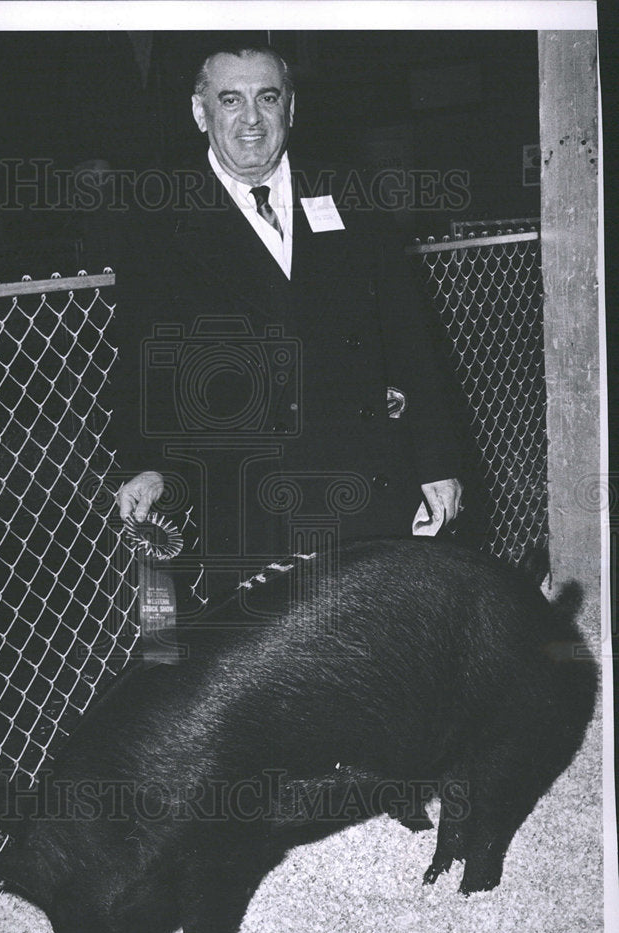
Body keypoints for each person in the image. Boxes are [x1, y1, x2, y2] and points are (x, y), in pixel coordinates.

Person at [109, 44, 463, 608]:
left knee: (380, 647)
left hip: (364, 474)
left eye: (267, 97)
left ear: (290, 109)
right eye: (231, 99)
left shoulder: (350, 192)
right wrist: (144, 462)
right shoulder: (158, 219)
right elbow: (140, 354)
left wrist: (437, 461)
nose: (251, 118)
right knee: (273, 661)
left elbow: (409, 334)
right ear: (200, 113)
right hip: (244, 490)